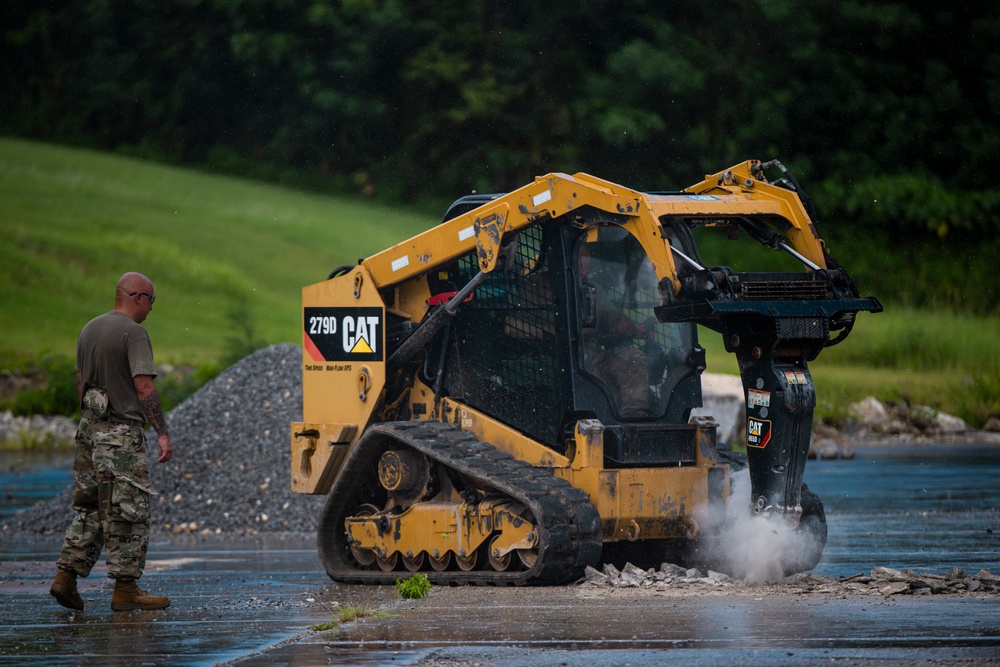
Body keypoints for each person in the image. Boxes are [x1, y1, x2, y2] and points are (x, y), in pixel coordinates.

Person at [49, 272, 174, 612]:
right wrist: (161, 431)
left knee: (90, 507)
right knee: (127, 510)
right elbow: (144, 386)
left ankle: (66, 577)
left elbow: (80, 382)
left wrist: (92, 424)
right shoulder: (134, 333)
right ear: (138, 297)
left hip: (89, 431)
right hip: (121, 436)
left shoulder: (89, 328)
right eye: (152, 300)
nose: (151, 307)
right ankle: (126, 588)